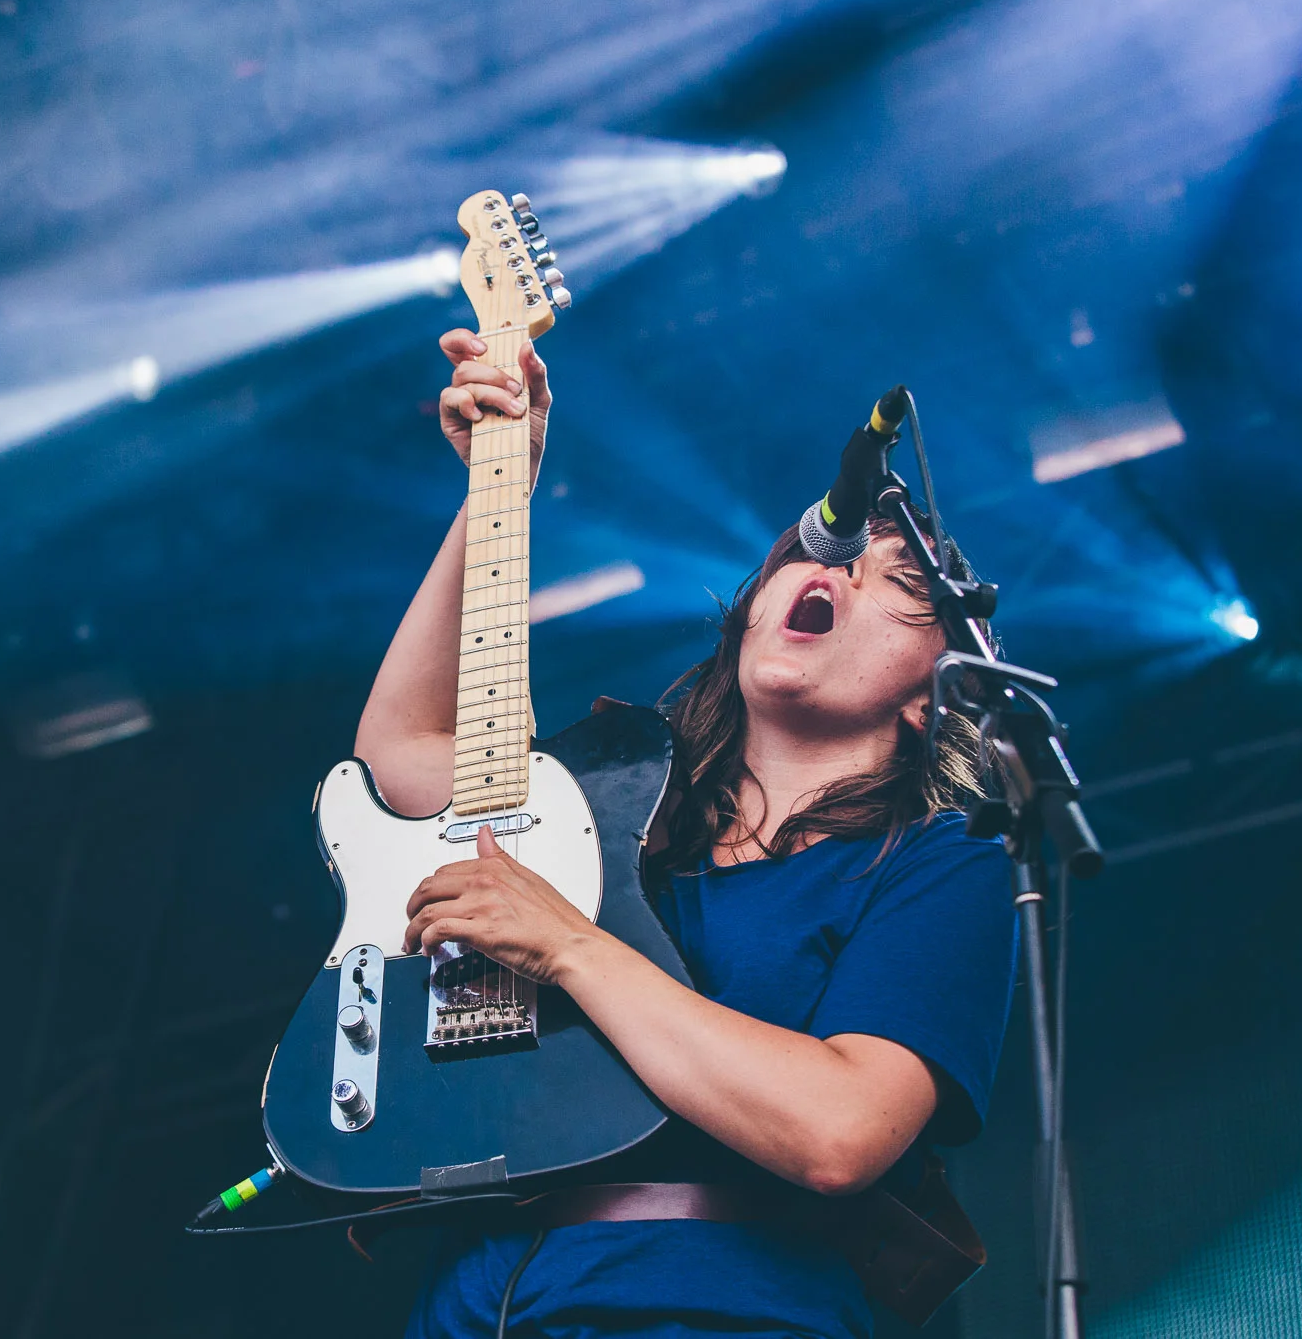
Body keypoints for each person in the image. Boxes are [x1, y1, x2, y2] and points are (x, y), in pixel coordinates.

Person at [356, 330, 1019, 1338]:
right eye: (812, 556)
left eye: (890, 582)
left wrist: (570, 947)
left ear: (936, 695)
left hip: (715, 1309)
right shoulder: (600, 799)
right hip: (470, 1305)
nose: (829, 569)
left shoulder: (934, 869)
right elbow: (404, 753)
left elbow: (838, 1132)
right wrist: (497, 493)